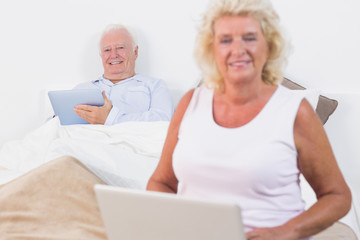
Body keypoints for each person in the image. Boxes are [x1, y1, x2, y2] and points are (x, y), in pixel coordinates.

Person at [147, 0, 352, 239]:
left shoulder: (296, 111)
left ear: (268, 46)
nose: (238, 49)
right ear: (212, 49)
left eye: (250, 38)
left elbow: (337, 197)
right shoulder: (190, 103)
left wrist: (286, 231)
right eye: (226, 40)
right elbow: (161, 183)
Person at [72, 24, 174, 125]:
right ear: (101, 55)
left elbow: (163, 120)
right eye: (107, 50)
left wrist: (111, 119)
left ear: (135, 52)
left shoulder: (155, 86)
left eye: (120, 48)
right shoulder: (81, 90)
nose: (114, 55)